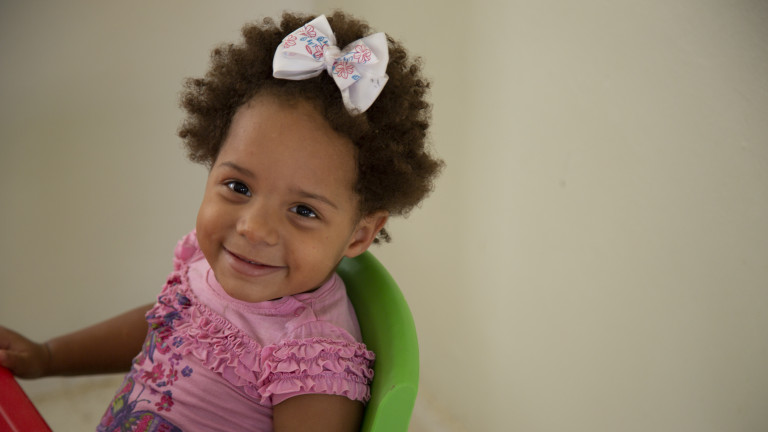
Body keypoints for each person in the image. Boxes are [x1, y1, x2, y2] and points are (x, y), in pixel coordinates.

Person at [0, 11, 442, 432]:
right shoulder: (211, 263)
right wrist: (48, 356)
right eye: (238, 187)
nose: (253, 228)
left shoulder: (312, 361)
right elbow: (163, 324)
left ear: (360, 234)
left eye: (304, 211)